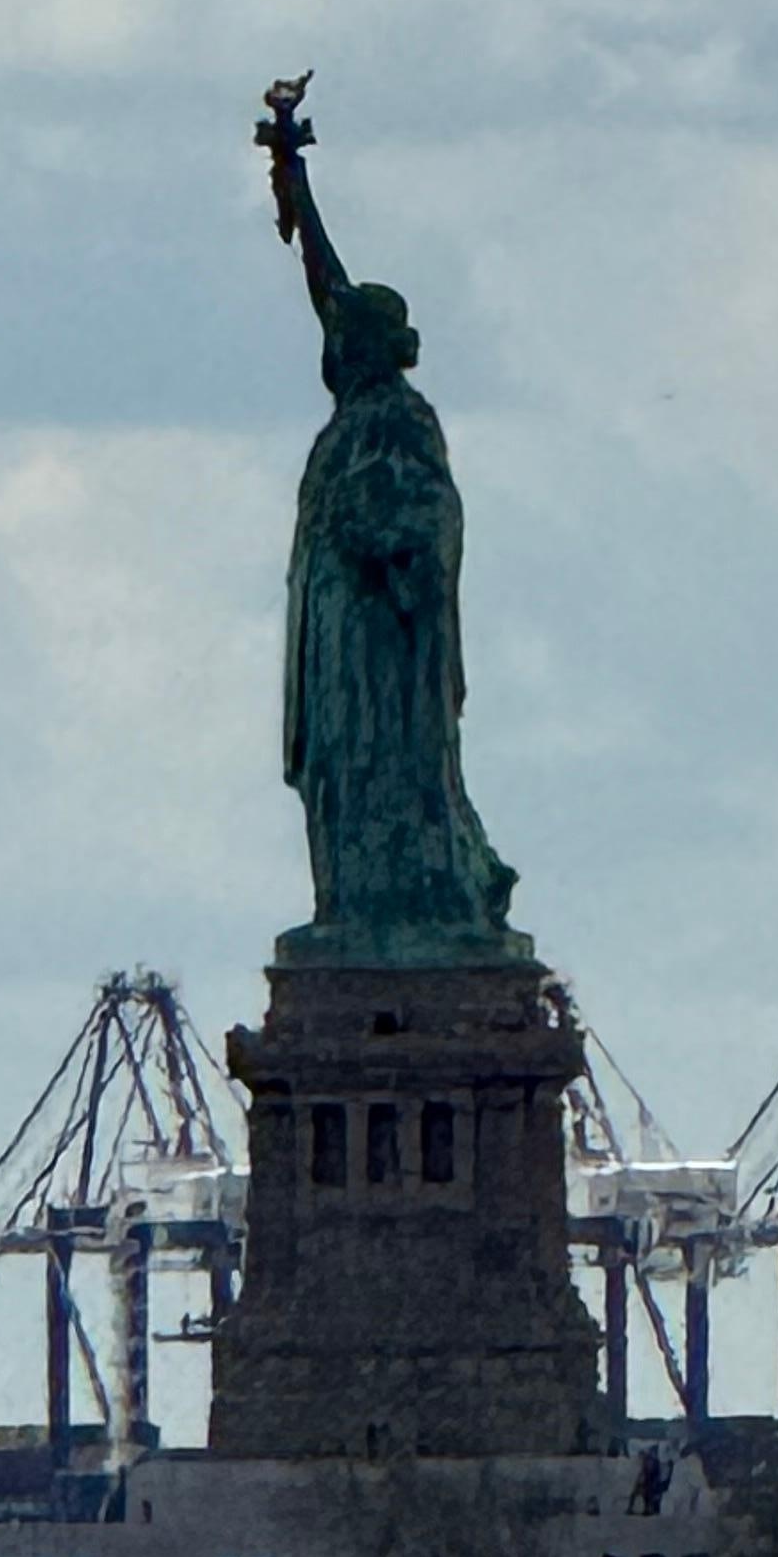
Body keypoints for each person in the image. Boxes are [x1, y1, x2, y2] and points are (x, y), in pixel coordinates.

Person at [257, 76, 525, 961]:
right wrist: (293, 176)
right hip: (337, 642)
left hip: (384, 648)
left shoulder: (399, 420)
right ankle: (349, 906)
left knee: (381, 769)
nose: (328, 341)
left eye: (344, 334)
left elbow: (430, 520)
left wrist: (382, 537)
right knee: (334, 774)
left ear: (370, 346)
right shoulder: (352, 416)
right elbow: (324, 282)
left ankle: (406, 902)